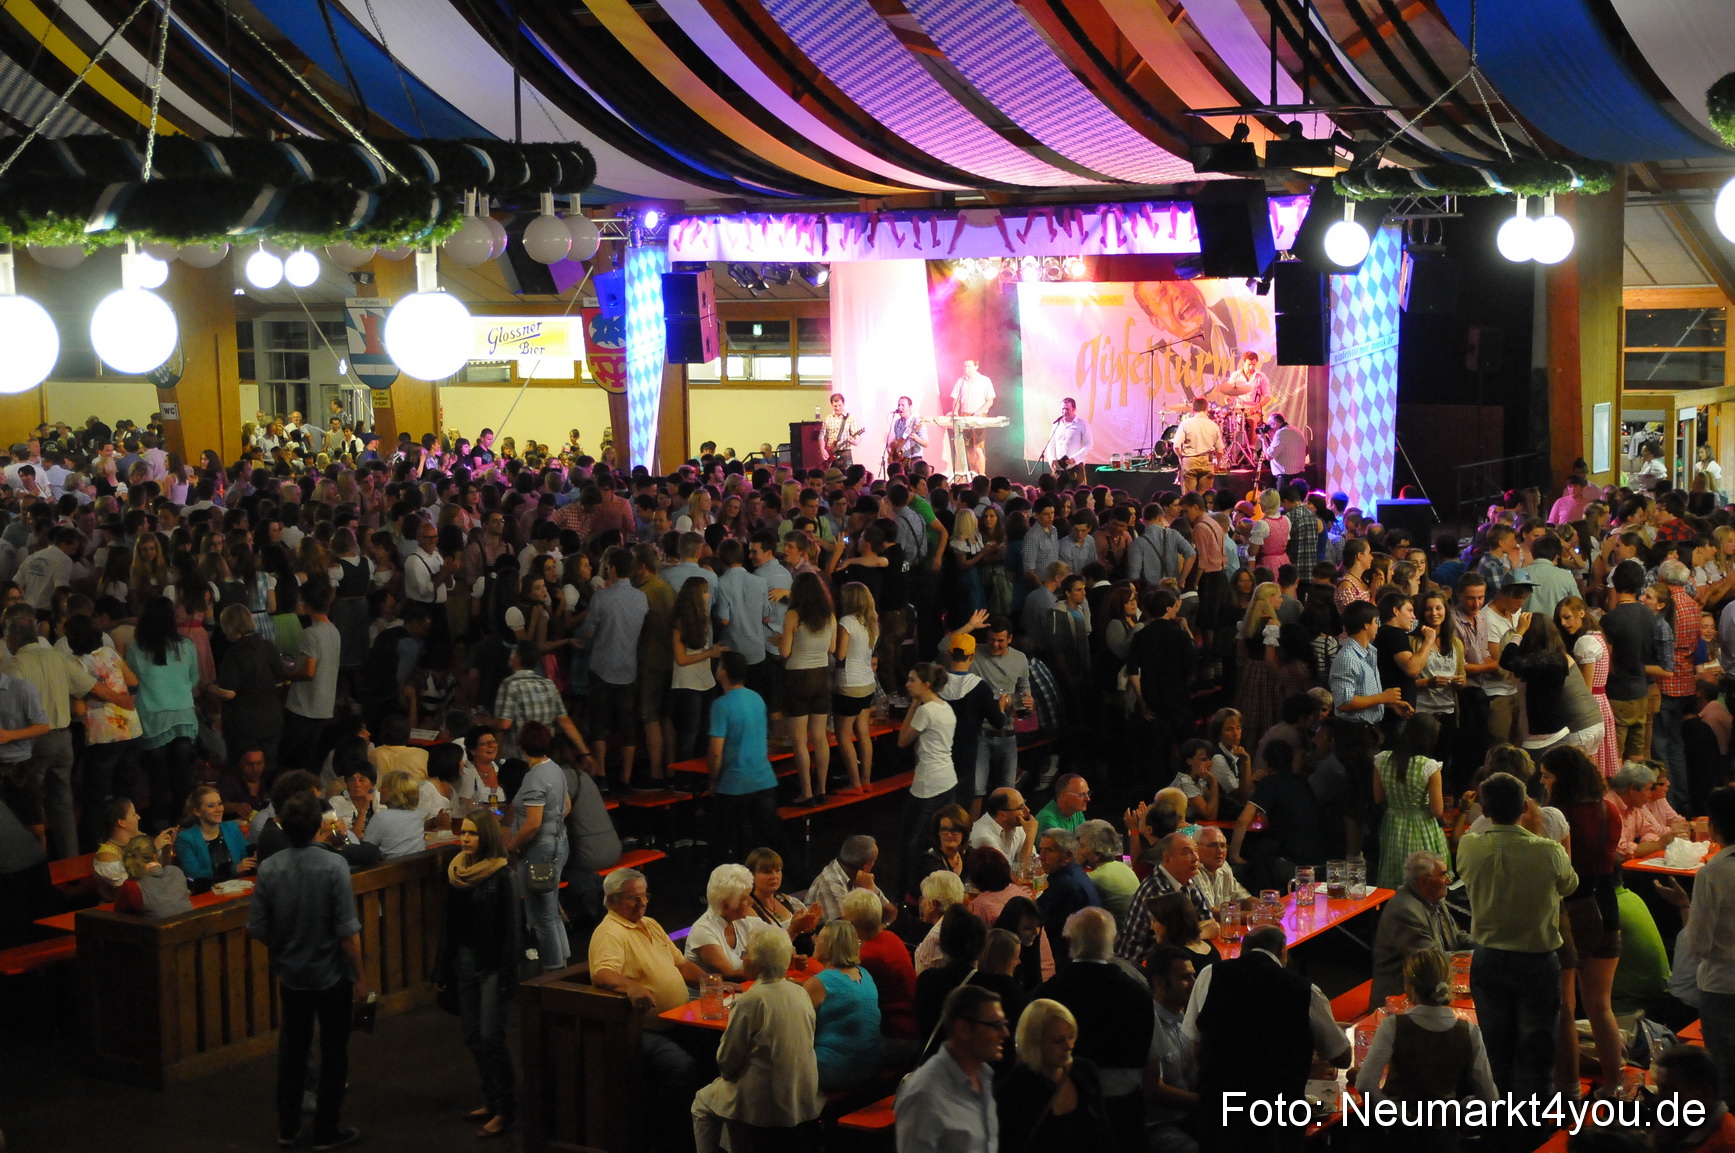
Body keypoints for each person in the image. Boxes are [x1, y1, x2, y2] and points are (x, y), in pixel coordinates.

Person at [248, 791, 367, 1151]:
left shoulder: (269, 868)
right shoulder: (334, 866)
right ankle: (326, 1130)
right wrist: (360, 977)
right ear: (319, 826)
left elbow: (257, 927)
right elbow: (347, 932)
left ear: (282, 826)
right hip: (331, 975)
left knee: (293, 1052)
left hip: (292, 976)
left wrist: (283, 949)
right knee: (334, 1052)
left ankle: (287, 1128)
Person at [1455, 771, 1577, 1102]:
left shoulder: (1469, 845)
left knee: (1495, 1049)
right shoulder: (1547, 851)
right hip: (1536, 959)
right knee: (1538, 1051)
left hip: (1489, 957)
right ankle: (1532, 1129)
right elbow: (1570, 885)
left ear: (1486, 810)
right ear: (1525, 806)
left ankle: (1497, 1123)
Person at [1182, 924, 1351, 1153]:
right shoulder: (1305, 990)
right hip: (1277, 1118)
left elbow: (1195, 1048)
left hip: (1222, 1112)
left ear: (1244, 949)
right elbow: (1341, 1057)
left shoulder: (1210, 975)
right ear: (1282, 949)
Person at [589, 868, 712, 1151]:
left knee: (719, 1051)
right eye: (634, 898)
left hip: (679, 1021)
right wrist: (631, 987)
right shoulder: (610, 933)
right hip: (641, 1030)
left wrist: (709, 981)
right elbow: (603, 974)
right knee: (683, 1069)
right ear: (611, 900)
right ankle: (658, 1133)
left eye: (645, 896)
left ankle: (698, 1129)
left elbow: (681, 965)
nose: (642, 903)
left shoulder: (651, 924)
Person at [690, 927, 823, 1153]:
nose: (744, 958)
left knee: (701, 1103)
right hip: (802, 1094)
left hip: (763, 1101)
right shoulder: (800, 992)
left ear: (760, 962)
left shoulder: (751, 1000)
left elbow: (727, 1062)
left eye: (747, 953)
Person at [1032, 907, 1153, 1152]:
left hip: (1063, 1109)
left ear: (1069, 941)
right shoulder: (1137, 993)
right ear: (1114, 941)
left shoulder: (1048, 995)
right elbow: (1149, 1059)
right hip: (1123, 1109)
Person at [1354, 949, 1497, 1150]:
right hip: (1444, 1141)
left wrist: (1398, 1114)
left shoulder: (1393, 1025)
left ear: (1408, 985)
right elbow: (1489, 1100)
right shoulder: (1470, 1032)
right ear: (1450, 981)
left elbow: (1365, 1084)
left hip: (1400, 1140)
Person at [433, 809, 519, 1139]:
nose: (465, 838)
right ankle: (492, 1100)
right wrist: (442, 968)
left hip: (492, 969)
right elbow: (448, 928)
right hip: (464, 967)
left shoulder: (503, 876)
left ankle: (506, 1109)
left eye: (472, 833)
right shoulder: (458, 873)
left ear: (486, 837)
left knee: (490, 1038)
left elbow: (511, 934)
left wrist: (508, 981)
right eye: (463, 833)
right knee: (473, 1036)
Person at [894, 984, 1006, 1153]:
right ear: (962, 1029)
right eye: (995, 1025)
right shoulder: (924, 1094)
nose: (1005, 1033)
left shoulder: (983, 1075)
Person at [994, 996, 1114, 1148]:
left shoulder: (1084, 1071)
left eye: (1071, 1037)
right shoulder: (1014, 1089)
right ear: (1034, 1042)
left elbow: (1105, 1137)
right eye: (1058, 1040)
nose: (1069, 1046)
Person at [1683, 785, 1735, 1106]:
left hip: (1723, 987)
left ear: (1714, 826)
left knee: (1726, 1077)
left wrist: (1684, 909)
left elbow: (1699, 944)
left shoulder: (1713, 872)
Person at [706, 651, 786, 862]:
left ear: (724, 672)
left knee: (720, 843)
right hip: (763, 778)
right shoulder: (756, 698)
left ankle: (713, 890)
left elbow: (716, 751)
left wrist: (713, 780)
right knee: (775, 839)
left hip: (734, 783)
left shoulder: (721, 705)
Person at [507, 720, 571, 971]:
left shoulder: (535, 777)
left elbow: (532, 823)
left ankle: (554, 972)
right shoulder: (555, 769)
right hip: (559, 845)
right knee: (552, 910)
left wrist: (512, 845)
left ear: (522, 747)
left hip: (539, 853)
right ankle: (564, 962)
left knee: (541, 917)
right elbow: (566, 806)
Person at [1370, 851, 1471, 1007]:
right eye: (1443, 875)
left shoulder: (1433, 898)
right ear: (1424, 881)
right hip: (1400, 998)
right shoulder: (1405, 910)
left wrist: (1486, 947)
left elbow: (1458, 938)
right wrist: (1473, 957)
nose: (1449, 880)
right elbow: (1432, 961)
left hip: (1429, 989)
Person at [777, 572, 837, 803]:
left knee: (800, 741)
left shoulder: (793, 615)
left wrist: (780, 639)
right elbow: (831, 649)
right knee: (820, 737)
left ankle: (807, 792)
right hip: (822, 677)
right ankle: (822, 789)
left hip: (797, 678)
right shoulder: (829, 616)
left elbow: (784, 652)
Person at [1372, 714, 1448, 888]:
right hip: (1422, 827)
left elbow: (1378, 798)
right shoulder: (1429, 766)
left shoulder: (1383, 760)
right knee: (1431, 868)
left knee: (1396, 870)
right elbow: (1437, 811)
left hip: (1393, 826)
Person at [807, 918, 883, 1091]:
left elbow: (798, 1033)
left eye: (820, 937)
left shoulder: (819, 983)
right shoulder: (864, 974)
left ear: (830, 946)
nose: (815, 939)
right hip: (870, 1066)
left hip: (836, 1070)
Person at [1144, 945, 1201, 1153]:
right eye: (1185, 977)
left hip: (1190, 1118)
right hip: (1159, 1126)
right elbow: (1154, 1090)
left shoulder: (1184, 1020)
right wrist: (1205, 1103)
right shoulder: (1148, 1024)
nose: (1193, 984)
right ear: (1159, 982)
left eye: (1194, 976)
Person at [843, 887, 918, 1041]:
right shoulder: (890, 937)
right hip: (913, 1023)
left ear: (851, 923)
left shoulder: (867, 956)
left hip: (895, 1034)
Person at [1034, 828, 1100, 969]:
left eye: (1049, 851)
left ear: (1067, 856)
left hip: (1070, 962)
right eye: (1041, 850)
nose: (1041, 857)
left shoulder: (1065, 885)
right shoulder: (1072, 873)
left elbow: (1042, 923)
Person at [684, 863, 758, 979]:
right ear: (725, 905)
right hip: (715, 995)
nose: (751, 901)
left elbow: (776, 941)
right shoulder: (703, 930)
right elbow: (730, 974)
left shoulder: (743, 919)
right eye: (745, 898)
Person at [175, 784, 256, 887]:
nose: (219, 809)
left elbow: (246, 855)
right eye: (211, 806)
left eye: (220, 803)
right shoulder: (185, 839)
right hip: (207, 893)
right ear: (197, 811)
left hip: (238, 887)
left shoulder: (232, 827)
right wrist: (232, 869)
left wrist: (255, 855)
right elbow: (195, 874)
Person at [808, 833, 897, 924]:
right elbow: (845, 931)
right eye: (873, 861)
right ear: (866, 866)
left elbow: (891, 912)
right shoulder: (829, 883)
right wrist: (868, 893)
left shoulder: (862, 878)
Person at [1076, 820, 1139, 929]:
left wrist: (1076, 865)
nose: (1078, 850)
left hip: (1118, 940)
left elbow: (1071, 886)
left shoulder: (1098, 878)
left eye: (1082, 846)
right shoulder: (1123, 867)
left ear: (1097, 853)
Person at [112, 832, 193, 917]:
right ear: (155, 856)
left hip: (157, 929)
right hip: (191, 927)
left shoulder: (132, 887)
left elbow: (118, 916)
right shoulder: (176, 872)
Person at [360, 769, 425, 860]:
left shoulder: (381, 818)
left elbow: (365, 852)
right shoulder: (417, 813)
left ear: (394, 792)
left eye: (383, 787)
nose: (379, 790)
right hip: (417, 867)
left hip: (392, 871)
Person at [953, 359, 996, 477]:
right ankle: (973, 474)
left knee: (978, 448)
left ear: (976, 366)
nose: (966, 369)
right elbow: (956, 399)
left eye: (969, 366)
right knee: (969, 449)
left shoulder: (985, 380)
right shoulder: (961, 381)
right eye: (965, 366)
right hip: (964, 417)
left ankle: (982, 476)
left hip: (979, 417)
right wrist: (955, 411)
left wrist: (979, 411)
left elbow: (990, 401)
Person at [1174, 398, 1223, 495]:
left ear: (1193, 409)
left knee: (1189, 498)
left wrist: (1181, 457)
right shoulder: (1213, 425)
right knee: (1205, 498)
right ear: (1207, 409)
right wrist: (1218, 462)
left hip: (1190, 461)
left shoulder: (1185, 424)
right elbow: (1220, 450)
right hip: (1207, 462)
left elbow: (1176, 446)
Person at [1047, 397, 1092, 484]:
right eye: (1062, 409)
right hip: (1059, 466)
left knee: (1079, 495)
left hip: (1075, 466)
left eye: (1067, 409)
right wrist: (1052, 458)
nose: (1064, 411)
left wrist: (1075, 458)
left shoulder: (1082, 424)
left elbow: (1089, 444)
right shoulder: (1057, 424)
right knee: (1055, 494)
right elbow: (1051, 443)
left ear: (1074, 409)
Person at [1263, 413, 1306, 492]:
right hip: (1299, 475)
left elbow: (1269, 456)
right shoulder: (1296, 430)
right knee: (1297, 502)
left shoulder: (1281, 433)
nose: (1268, 427)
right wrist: (1272, 437)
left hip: (1286, 477)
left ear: (1274, 424)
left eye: (1269, 424)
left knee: (1284, 503)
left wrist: (1263, 440)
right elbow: (1281, 448)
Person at [821, 392, 864, 469]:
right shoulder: (828, 418)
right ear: (831, 405)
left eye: (839, 405)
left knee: (846, 476)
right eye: (835, 406)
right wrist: (822, 449)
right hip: (830, 453)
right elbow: (822, 436)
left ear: (843, 404)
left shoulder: (850, 417)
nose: (837, 408)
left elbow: (856, 434)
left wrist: (855, 442)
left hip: (845, 453)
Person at [886, 395, 927, 469]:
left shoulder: (917, 422)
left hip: (914, 460)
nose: (900, 407)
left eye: (903, 405)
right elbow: (898, 440)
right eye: (899, 405)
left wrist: (917, 439)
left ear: (910, 407)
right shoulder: (897, 423)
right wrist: (892, 447)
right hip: (901, 460)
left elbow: (926, 443)